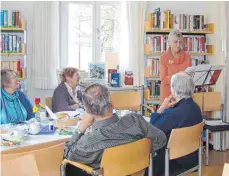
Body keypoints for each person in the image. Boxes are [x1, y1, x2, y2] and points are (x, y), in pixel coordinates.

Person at [64, 83, 167, 176]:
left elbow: (68, 155)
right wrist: (141, 153)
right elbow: (161, 139)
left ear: (88, 111)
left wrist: (81, 127)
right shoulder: (136, 120)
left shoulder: (87, 143)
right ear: (111, 104)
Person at [149, 72, 202, 176]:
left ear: (173, 90)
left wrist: (161, 109)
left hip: (174, 161)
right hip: (192, 158)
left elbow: (152, 129)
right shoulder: (196, 108)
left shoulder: (173, 114)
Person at [160, 29, 192, 104]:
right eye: (175, 42)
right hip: (168, 96)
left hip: (184, 96)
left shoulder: (187, 56)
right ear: (169, 43)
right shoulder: (163, 57)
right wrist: (178, 75)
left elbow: (190, 77)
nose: (178, 45)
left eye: (180, 42)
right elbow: (164, 79)